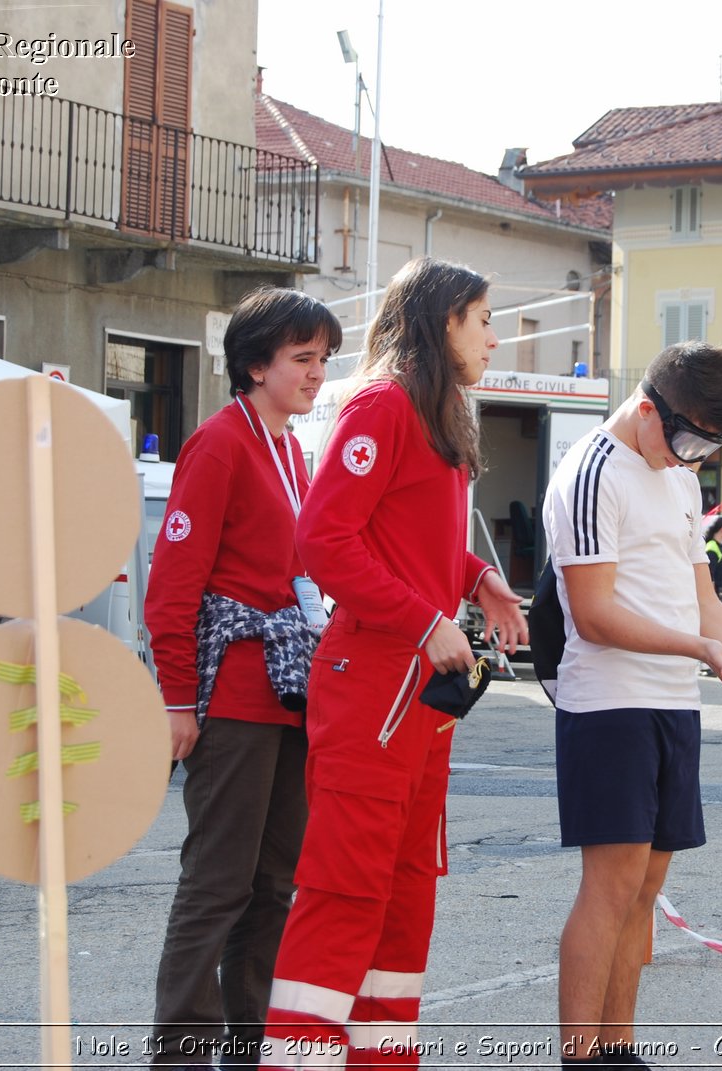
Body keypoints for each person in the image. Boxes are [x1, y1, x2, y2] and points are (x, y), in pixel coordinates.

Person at [543, 341, 722, 1067]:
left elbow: (704, 601)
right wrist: (704, 653)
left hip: (673, 703)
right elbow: (593, 614)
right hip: (608, 701)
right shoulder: (591, 472)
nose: (694, 459)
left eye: (710, 448)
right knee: (610, 888)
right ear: (649, 407)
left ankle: (618, 1049)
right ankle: (579, 1057)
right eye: (688, 440)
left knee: (645, 888)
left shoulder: (677, 478)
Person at [262, 259, 527, 1071]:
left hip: (417, 694)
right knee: (347, 893)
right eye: (482, 317)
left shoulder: (438, 412)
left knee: (408, 894)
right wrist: (422, 620)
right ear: (442, 320)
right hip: (375, 679)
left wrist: (479, 580)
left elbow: (412, 542)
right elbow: (324, 541)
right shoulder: (384, 404)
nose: (492, 334)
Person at [147, 288, 342, 1066]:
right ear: (255, 364)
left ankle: (248, 1042)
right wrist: (174, 700)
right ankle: (183, 1050)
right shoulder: (220, 443)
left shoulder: (293, 449)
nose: (317, 374)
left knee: (274, 884)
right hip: (231, 694)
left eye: (324, 359)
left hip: (292, 691)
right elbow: (172, 583)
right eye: (302, 359)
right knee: (217, 882)